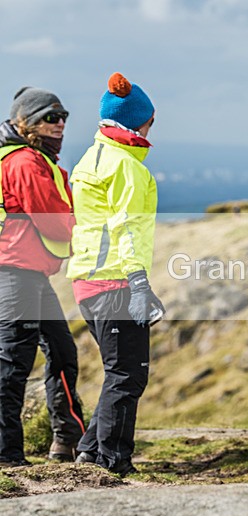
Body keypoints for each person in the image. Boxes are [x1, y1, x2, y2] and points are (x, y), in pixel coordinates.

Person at [67, 72, 164, 476]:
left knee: (118, 372)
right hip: (115, 283)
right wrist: (138, 283)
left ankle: (90, 452)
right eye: (150, 120)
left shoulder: (90, 158)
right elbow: (124, 226)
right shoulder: (126, 167)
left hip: (87, 283)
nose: (151, 127)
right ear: (136, 121)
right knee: (128, 375)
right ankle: (114, 460)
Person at [0, 87, 86, 466]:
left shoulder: (35, 158)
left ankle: (66, 440)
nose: (61, 123)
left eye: (63, 116)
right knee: (13, 363)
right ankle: (7, 455)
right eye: (51, 117)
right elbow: (55, 224)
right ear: (27, 123)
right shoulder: (24, 163)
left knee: (62, 353)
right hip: (14, 274)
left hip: (30, 274)